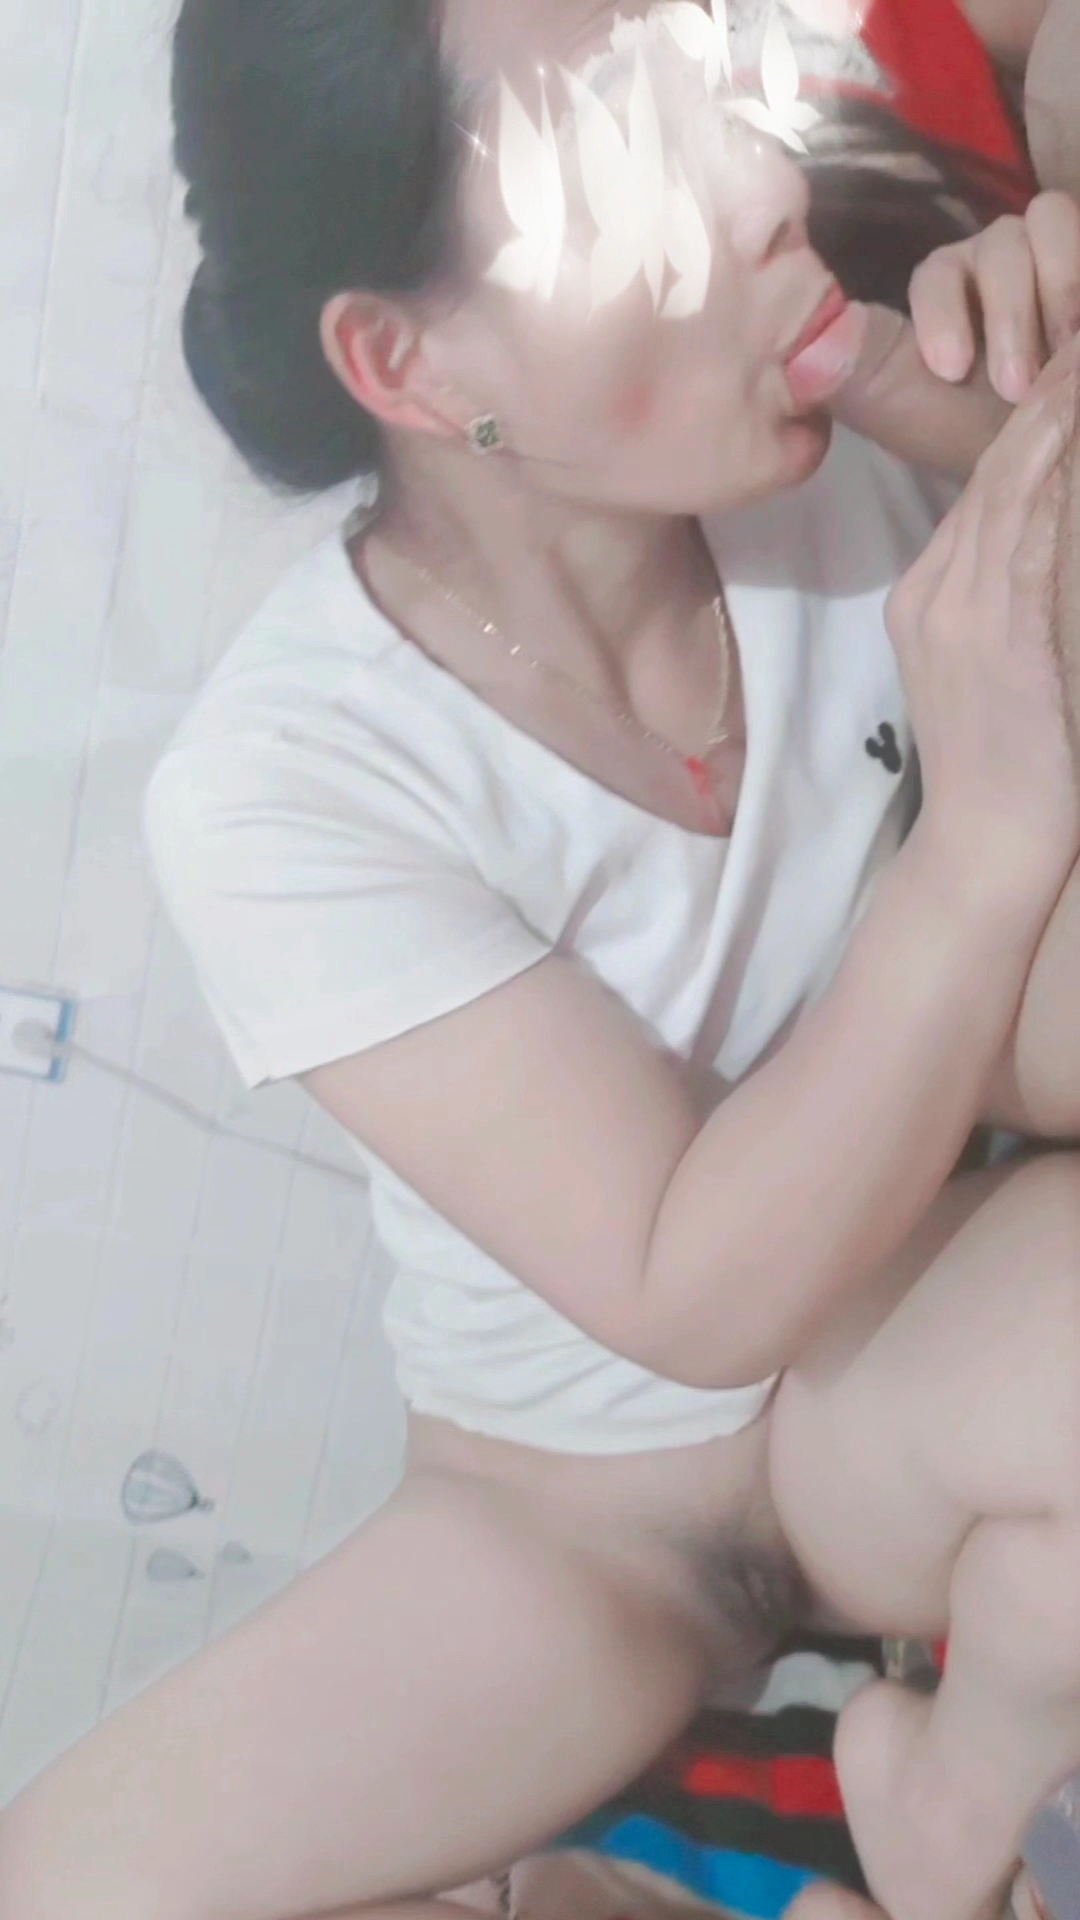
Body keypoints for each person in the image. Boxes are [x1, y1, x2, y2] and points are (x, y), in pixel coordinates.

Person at [0, 7, 1077, 1920]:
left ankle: (942, 1790)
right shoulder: (292, 778)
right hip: (563, 1513)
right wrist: (983, 849)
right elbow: (685, 1285)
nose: (760, 182)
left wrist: (1017, 404)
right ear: (409, 363)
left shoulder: (846, 458)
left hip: (887, 1364)